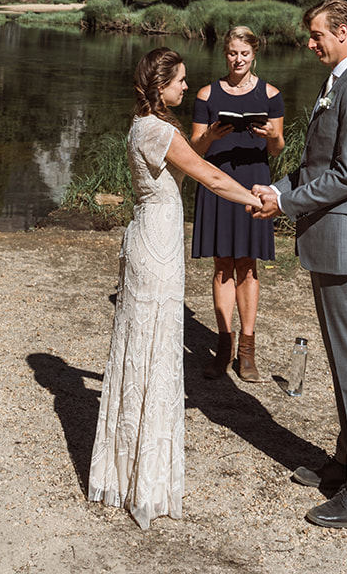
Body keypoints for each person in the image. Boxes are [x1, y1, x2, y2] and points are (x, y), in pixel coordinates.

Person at [88, 48, 258, 531]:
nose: (187, 87)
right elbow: (206, 176)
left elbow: (181, 165)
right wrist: (260, 201)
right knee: (155, 344)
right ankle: (145, 478)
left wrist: (209, 141)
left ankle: (126, 467)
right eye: (180, 81)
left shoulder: (143, 126)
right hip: (157, 247)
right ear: (160, 86)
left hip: (147, 235)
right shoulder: (162, 130)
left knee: (141, 344)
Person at [252, 0, 347, 529]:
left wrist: (286, 204)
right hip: (328, 241)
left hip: (345, 242)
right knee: (340, 360)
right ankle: (344, 464)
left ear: (345, 33)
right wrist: (276, 190)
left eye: (316, 35)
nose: (309, 43)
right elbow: (316, 166)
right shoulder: (338, 82)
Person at [190, 26, 285, 381]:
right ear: (224, 54)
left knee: (247, 265)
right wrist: (210, 135)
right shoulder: (206, 94)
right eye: (232, 53)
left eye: (244, 54)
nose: (238, 59)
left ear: (254, 54)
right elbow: (195, 149)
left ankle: (247, 350)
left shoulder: (271, 95)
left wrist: (273, 135)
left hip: (254, 183)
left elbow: (277, 149)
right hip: (217, 184)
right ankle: (224, 344)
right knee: (221, 265)